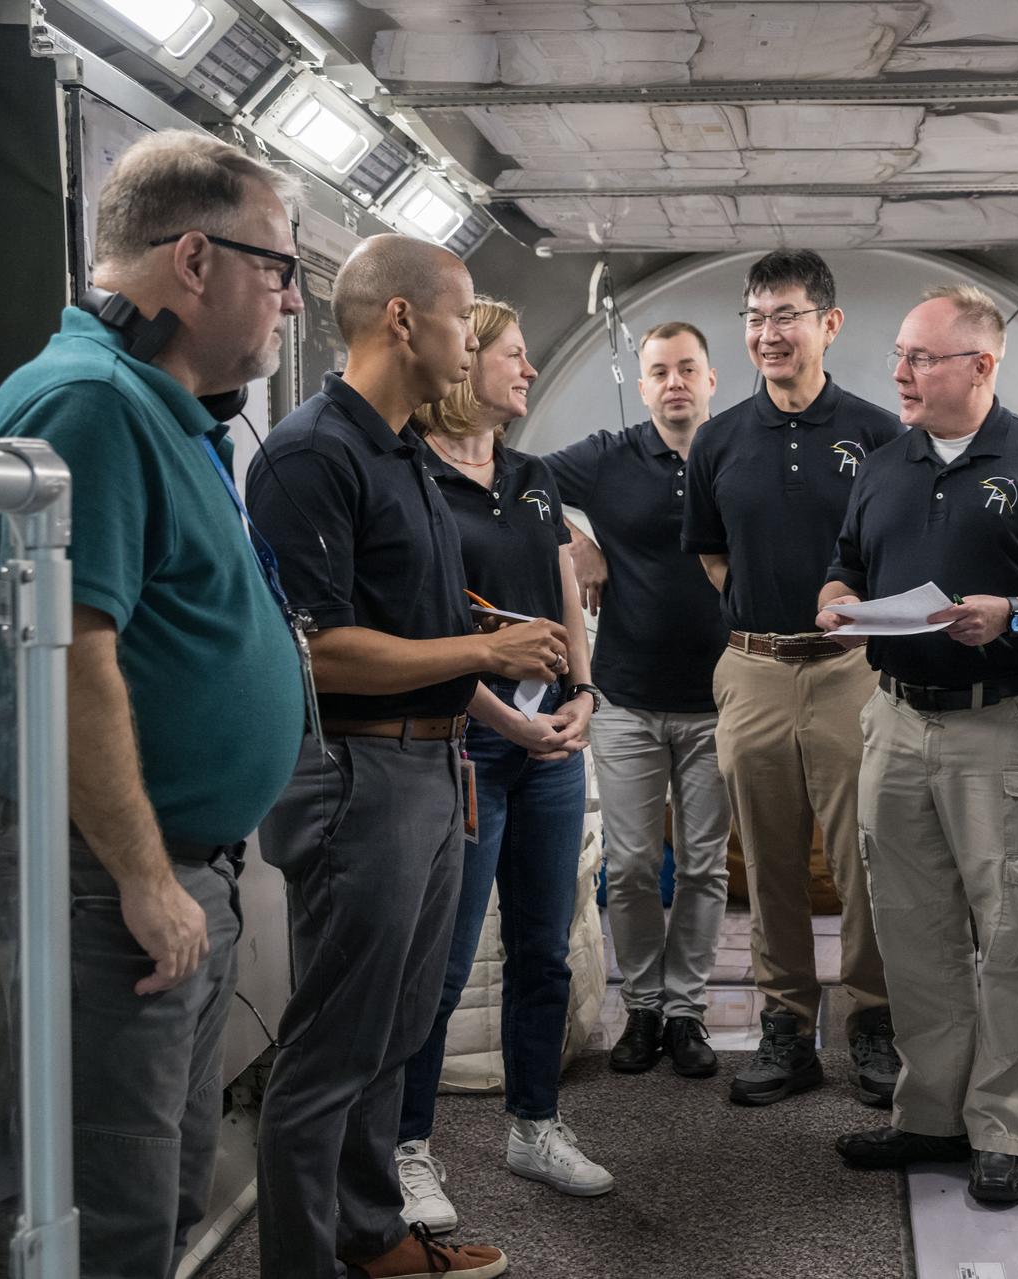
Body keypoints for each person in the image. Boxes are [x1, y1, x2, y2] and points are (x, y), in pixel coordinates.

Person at [0, 131, 305, 1279]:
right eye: (278, 267)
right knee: (112, 1216)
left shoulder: (158, 404)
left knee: (160, 1195)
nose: (292, 299)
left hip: (153, 872)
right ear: (194, 260)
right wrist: (147, 878)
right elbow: (70, 659)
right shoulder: (91, 403)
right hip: (101, 881)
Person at [247, 237, 568, 1279]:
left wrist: (481, 658)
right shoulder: (311, 455)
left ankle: (372, 1234)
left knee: (392, 1029)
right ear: (401, 318)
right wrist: (485, 652)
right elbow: (322, 652)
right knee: (332, 1045)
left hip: (431, 766)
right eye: (461, 315)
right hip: (359, 775)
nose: (471, 339)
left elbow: (421, 619)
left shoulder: (400, 453)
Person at [818, 285, 1018, 1205]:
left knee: (1015, 932)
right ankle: (930, 1116)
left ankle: (1000, 1127)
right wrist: (836, 603)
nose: (900, 373)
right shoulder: (884, 464)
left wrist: (1015, 612)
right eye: (899, 356)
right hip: (897, 720)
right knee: (913, 932)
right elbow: (845, 566)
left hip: (1005, 723)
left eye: (920, 357)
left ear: (981, 365)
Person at [393, 296, 613, 1230]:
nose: (528, 370)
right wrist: (503, 721)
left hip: (549, 741)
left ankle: (535, 1124)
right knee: (442, 962)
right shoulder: (411, 473)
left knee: (543, 947)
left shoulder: (530, 474)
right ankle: (407, 1146)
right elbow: (425, 624)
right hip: (469, 738)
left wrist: (584, 692)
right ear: (466, 360)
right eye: (514, 355)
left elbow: (563, 590)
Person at [682, 249, 902, 1107]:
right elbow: (711, 554)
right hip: (754, 669)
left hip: (851, 670)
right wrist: (757, 615)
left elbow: (897, 552)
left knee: (864, 858)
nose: (767, 333)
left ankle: (874, 1019)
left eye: (786, 316)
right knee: (767, 861)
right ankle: (785, 1024)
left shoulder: (880, 434)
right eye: (755, 317)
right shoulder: (718, 440)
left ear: (828, 324)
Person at [541, 321, 733, 1079]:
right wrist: (575, 540)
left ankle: (686, 1010)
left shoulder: (737, 452)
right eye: (659, 371)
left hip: (720, 697)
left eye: (687, 368)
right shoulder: (608, 457)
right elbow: (514, 479)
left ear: (711, 380)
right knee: (628, 866)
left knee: (705, 866)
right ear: (643, 384)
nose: (674, 382)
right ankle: (644, 1006)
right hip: (625, 698)